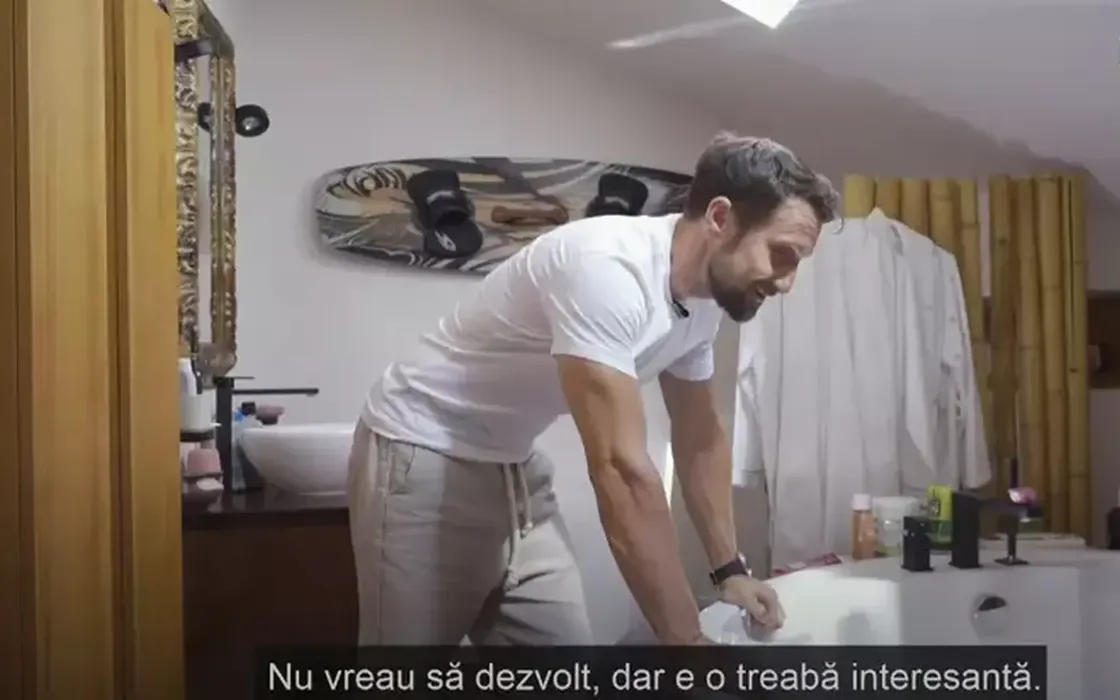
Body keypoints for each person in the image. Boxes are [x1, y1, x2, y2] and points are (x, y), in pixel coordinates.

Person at [347, 132, 840, 646]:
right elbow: (622, 472)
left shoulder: (703, 299)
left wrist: (729, 569)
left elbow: (698, 435)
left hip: (515, 467)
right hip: (420, 451)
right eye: (782, 254)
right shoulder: (606, 268)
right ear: (720, 218)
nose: (787, 282)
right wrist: (688, 643)